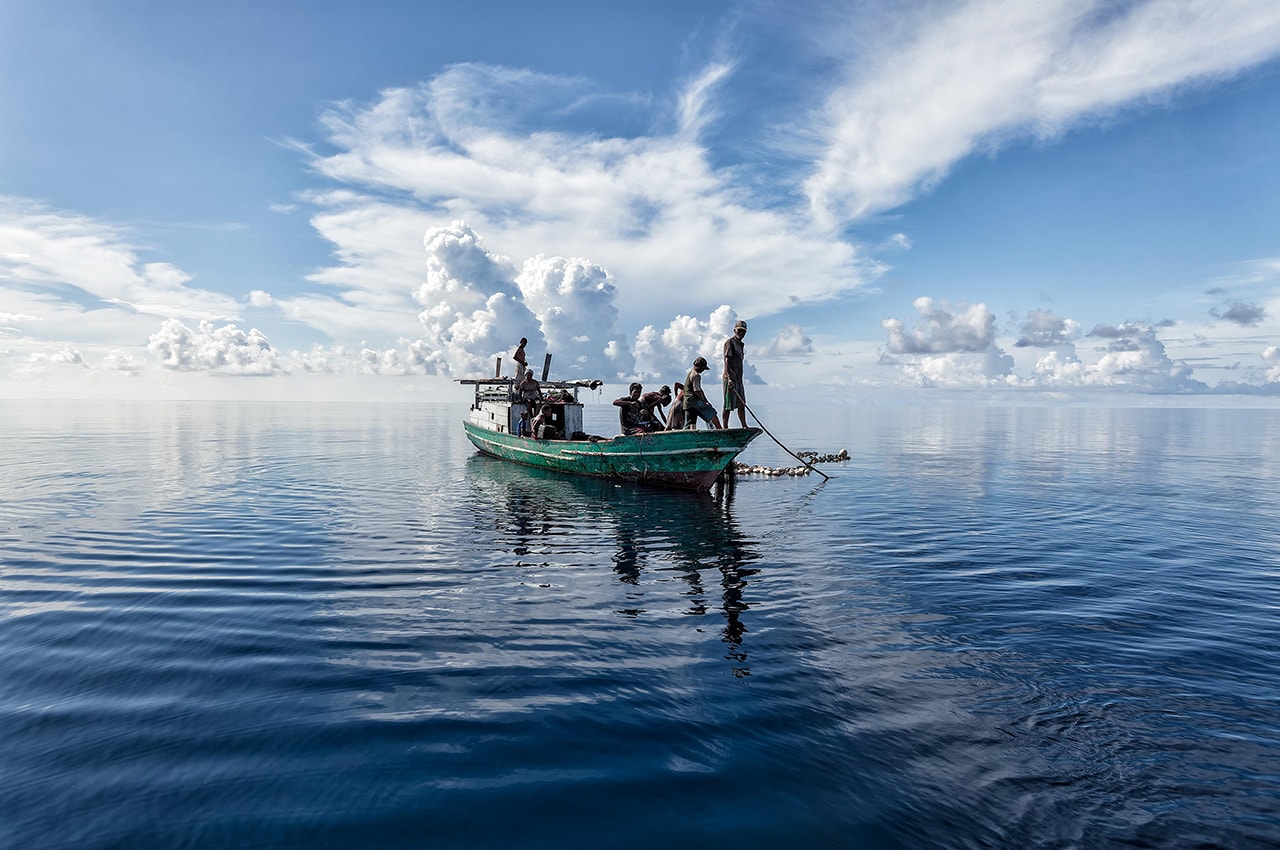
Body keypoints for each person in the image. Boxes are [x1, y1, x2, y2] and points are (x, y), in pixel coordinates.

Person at [721, 319, 748, 428]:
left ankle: (744, 425)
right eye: (739, 331)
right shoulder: (730, 342)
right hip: (730, 377)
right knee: (728, 404)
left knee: (742, 404)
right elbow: (727, 359)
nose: (741, 333)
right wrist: (728, 376)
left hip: (738, 379)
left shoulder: (741, 345)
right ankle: (725, 427)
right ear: (734, 330)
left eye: (743, 332)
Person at [682, 356, 722, 429]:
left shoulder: (691, 372)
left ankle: (691, 433)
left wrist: (705, 400)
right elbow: (697, 391)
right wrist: (704, 401)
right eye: (703, 368)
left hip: (687, 403)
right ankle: (720, 429)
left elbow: (699, 390)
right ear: (700, 367)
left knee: (691, 421)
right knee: (712, 412)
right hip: (693, 400)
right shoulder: (696, 375)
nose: (703, 370)